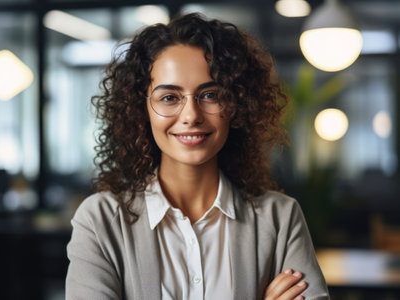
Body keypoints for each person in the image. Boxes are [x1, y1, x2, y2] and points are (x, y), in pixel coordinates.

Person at [65, 13, 329, 300]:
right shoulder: (101, 221)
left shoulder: (280, 218)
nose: (191, 116)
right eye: (169, 97)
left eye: (210, 95)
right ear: (141, 110)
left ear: (236, 105)